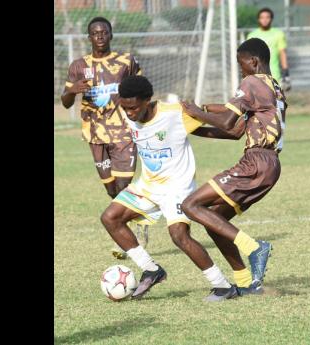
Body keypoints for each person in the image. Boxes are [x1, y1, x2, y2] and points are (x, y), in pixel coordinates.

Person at [100, 75, 239, 302]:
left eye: (133, 108)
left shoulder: (175, 113)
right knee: (110, 217)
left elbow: (222, 115)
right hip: (148, 185)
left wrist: (245, 113)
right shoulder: (129, 116)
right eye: (124, 108)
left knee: (179, 236)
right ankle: (152, 270)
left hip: (177, 187)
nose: (129, 113)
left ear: (147, 100)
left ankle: (223, 286)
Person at [180, 38, 287, 293]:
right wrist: (192, 130)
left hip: (257, 162)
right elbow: (236, 131)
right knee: (214, 220)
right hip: (270, 164)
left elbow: (227, 121)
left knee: (190, 205)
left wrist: (195, 111)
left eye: (241, 65)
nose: (241, 71)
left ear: (253, 61)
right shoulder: (274, 86)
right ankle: (243, 282)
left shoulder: (252, 82)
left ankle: (254, 247)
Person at [60, 17, 149, 257]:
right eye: (95, 33)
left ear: (110, 35)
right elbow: (65, 101)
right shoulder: (79, 66)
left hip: (123, 131)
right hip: (94, 133)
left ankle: (131, 236)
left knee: (123, 186)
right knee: (112, 190)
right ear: (88, 37)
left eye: (104, 32)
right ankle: (139, 219)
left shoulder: (125, 61)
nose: (100, 36)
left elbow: (142, 88)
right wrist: (71, 90)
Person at [247, 7, 291, 91]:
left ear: (271, 19)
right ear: (258, 19)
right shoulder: (252, 35)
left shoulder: (278, 34)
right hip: (257, 76)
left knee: (274, 102)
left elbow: (282, 53)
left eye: (267, 17)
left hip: (274, 75)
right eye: (262, 17)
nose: (265, 20)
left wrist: (286, 72)